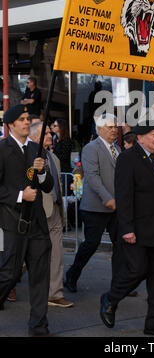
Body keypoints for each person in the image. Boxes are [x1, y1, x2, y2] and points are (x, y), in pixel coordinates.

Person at [100, 123, 154, 337]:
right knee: (137, 270)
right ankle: (111, 298)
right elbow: (123, 195)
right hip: (138, 229)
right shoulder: (128, 158)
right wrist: (126, 228)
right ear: (140, 137)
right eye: (153, 135)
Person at [0, 104, 54, 336]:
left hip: (38, 224)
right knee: (9, 273)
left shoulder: (36, 148)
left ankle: (39, 326)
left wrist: (41, 173)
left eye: (27, 119)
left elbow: (48, 185)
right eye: (21, 119)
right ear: (10, 125)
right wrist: (21, 195)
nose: (26, 122)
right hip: (12, 222)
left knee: (40, 277)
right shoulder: (2, 149)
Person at [64, 114, 121, 293]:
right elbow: (93, 177)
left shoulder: (117, 149)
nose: (114, 129)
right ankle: (72, 276)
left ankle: (119, 283)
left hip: (116, 207)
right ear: (100, 129)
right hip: (95, 207)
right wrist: (108, 198)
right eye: (110, 127)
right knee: (91, 244)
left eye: (115, 126)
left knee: (120, 245)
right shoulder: (91, 148)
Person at [30, 122, 73, 308]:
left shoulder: (53, 157)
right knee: (23, 256)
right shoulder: (29, 156)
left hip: (54, 210)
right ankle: (8, 282)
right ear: (35, 136)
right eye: (45, 133)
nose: (50, 135)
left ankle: (54, 293)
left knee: (56, 254)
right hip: (35, 213)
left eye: (49, 132)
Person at [52, 119, 72, 196]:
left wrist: (53, 155)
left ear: (61, 127)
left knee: (63, 194)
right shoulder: (56, 140)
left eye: (55, 126)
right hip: (58, 170)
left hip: (64, 171)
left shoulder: (66, 140)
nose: (53, 127)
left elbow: (64, 156)